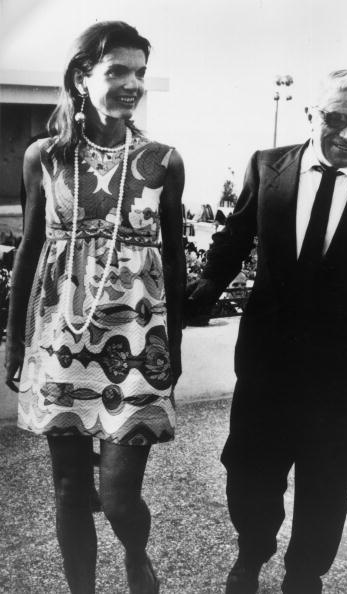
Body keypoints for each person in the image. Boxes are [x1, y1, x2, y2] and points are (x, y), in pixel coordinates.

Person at [187, 69, 347, 594]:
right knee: (250, 470)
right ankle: (252, 553)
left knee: (328, 480)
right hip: (267, 363)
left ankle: (304, 573)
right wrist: (200, 292)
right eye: (336, 119)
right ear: (310, 116)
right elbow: (234, 238)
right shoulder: (268, 166)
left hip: (343, 372)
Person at [5, 21, 185, 594]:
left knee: (117, 496)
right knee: (66, 491)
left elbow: (176, 264)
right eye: (117, 72)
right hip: (61, 344)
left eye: (140, 73)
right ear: (84, 78)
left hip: (137, 346)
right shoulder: (46, 157)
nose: (132, 84)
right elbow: (29, 255)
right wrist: (15, 342)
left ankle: (135, 553)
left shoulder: (163, 161)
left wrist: (172, 349)